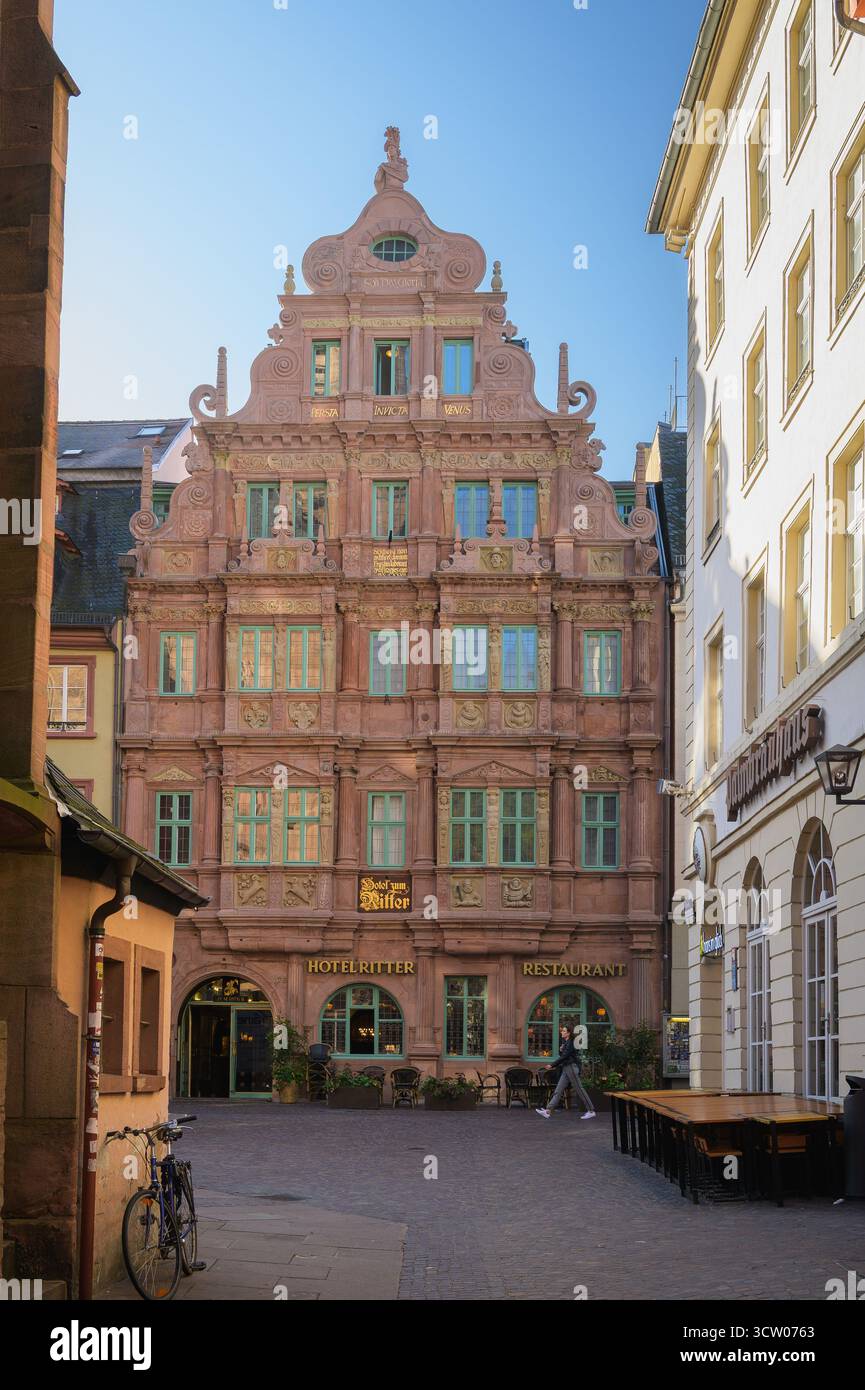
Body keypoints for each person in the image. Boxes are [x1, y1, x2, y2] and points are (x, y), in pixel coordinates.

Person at [536, 1024, 595, 1119]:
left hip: (571, 1068)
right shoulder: (566, 1042)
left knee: (579, 1089)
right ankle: (548, 1110)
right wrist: (560, 1050)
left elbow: (565, 1057)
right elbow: (563, 1055)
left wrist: (552, 1065)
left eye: (563, 1031)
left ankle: (591, 1110)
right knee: (558, 1090)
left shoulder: (571, 1042)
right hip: (566, 1068)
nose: (561, 1032)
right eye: (562, 1031)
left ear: (568, 1033)